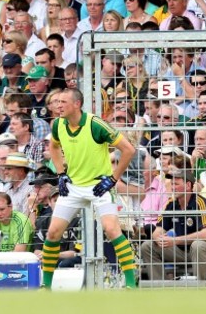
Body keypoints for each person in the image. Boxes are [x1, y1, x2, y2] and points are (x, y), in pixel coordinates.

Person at [40, 88, 137, 289]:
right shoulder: (58, 124)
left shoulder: (95, 124)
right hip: (72, 186)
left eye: (63, 102)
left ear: (77, 104)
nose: (58, 106)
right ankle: (45, 286)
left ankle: (130, 283)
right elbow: (54, 146)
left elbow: (129, 149)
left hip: (98, 186)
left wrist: (112, 179)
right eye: (56, 102)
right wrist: (60, 173)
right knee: (53, 233)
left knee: (112, 230)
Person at [140, 168, 206, 281]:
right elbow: (158, 229)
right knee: (147, 246)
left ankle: (200, 288)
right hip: (182, 251)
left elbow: (205, 235)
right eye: (171, 184)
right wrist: (159, 238)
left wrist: (175, 240)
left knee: (198, 245)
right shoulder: (171, 203)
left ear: (188, 185)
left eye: (176, 184)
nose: (172, 187)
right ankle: (158, 289)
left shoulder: (201, 203)